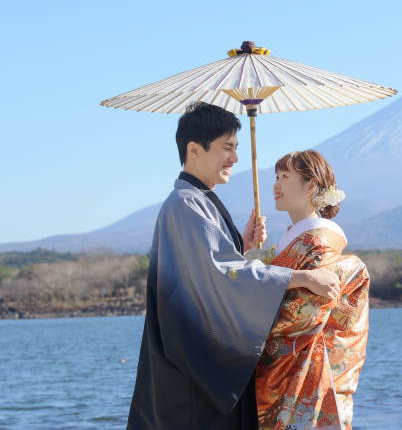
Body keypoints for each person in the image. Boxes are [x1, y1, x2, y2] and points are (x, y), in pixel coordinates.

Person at [128, 103, 341, 430]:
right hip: (194, 371)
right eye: (227, 148)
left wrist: (240, 245)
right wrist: (300, 276)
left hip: (198, 361)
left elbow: (208, 270)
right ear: (194, 150)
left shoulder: (196, 200)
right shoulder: (186, 204)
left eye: (237, 148)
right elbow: (218, 274)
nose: (235, 158)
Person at [255, 150, 369, 430]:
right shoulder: (296, 236)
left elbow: (302, 314)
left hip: (300, 369)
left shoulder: (320, 242)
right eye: (276, 176)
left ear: (310, 186)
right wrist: (256, 255)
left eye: (284, 176)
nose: (275, 185)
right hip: (291, 368)